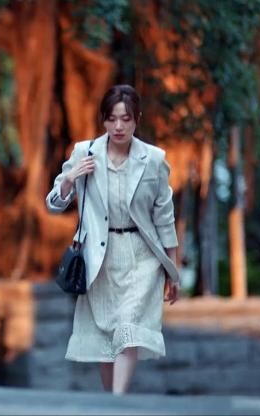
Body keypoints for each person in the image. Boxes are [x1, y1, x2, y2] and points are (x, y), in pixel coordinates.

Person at [45, 84, 181, 395]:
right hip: (100, 257)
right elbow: (53, 204)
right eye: (112, 119)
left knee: (128, 329)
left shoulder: (153, 159)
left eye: (126, 119)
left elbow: (164, 217)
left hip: (142, 257)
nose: (118, 126)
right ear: (103, 119)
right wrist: (70, 178)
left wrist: (173, 272)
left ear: (137, 119)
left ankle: (119, 402)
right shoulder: (85, 152)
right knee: (105, 338)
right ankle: (112, 404)